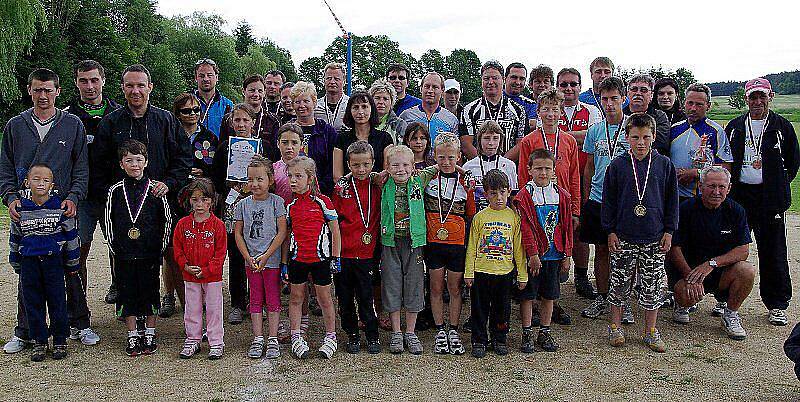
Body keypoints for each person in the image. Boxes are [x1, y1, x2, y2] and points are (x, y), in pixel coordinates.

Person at [1, 68, 89, 354]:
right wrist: (10, 196)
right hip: (27, 210)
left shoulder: (72, 124)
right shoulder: (15, 125)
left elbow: (81, 167)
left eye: (48, 90)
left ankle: (79, 324)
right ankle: (25, 331)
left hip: (61, 208)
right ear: (30, 90)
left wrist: (75, 196)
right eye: (38, 90)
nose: (43, 95)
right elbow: (4, 166)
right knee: (30, 274)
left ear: (58, 92)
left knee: (70, 269)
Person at [602, 113, 678, 353]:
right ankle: (615, 326)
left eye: (646, 137)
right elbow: (609, 201)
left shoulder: (664, 164)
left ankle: (650, 331)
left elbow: (672, 201)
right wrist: (610, 230)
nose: (641, 143)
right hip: (624, 235)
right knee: (619, 282)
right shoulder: (618, 165)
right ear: (627, 138)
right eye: (635, 137)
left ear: (654, 137)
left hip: (654, 237)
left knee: (652, 285)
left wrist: (669, 230)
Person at [726, 78, 800, 326]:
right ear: (746, 99)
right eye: (752, 97)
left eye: (762, 97)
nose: (757, 102)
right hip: (740, 196)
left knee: (773, 251)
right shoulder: (735, 126)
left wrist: (776, 184)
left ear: (770, 97)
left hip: (769, 199)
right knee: (731, 247)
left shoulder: (782, 126)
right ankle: (724, 298)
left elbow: (792, 163)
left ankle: (777, 304)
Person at [104, 139, 172, 356]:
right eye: (129, 160)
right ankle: (132, 334)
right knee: (127, 293)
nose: (134, 164)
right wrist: (115, 247)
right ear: (121, 164)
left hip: (149, 253)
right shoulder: (115, 191)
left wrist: (160, 247)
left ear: (146, 162)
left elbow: (166, 220)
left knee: (150, 291)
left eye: (138, 160)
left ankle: (150, 332)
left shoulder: (155, 189)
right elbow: (108, 221)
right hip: (125, 253)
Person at [669, 166, 755, 339]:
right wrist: (690, 277)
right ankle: (681, 305)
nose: (716, 191)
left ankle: (730, 314)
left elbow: (743, 250)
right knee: (685, 297)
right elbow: (674, 248)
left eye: (722, 187)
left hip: (719, 272)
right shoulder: (685, 209)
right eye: (711, 186)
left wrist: (711, 264)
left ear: (729, 188)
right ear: (700, 187)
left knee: (747, 270)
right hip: (688, 272)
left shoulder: (736, 211)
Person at [64, 60, 120, 316]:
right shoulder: (65, 117)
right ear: (76, 82)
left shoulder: (119, 113)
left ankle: (123, 297)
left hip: (113, 195)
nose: (89, 86)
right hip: (81, 196)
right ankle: (79, 308)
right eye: (83, 80)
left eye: (94, 80)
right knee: (77, 251)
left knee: (121, 248)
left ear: (103, 81)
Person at [10, 164, 80, 362]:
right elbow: (15, 238)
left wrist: (73, 262)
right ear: (27, 182)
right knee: (33, 302)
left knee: (57, 301)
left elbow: (71, 236)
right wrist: (16, 262)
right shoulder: (21, 210)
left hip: (53, 261)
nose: (41, 184)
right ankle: (39, 340)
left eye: (45, 180)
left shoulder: (60, 208)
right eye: (36, 179)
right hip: (29, 262)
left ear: (52, 185)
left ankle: (59, 339)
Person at [580, 77, 631, 322]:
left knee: (625, 252)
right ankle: (602, 297)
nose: (609, 104)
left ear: (624, 98)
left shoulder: (634, 127)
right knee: (600, 250)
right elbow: (589, 166)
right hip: (599, 199)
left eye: (614, 98)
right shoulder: (595, 130)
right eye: (604, 99)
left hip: (627, 202)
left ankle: (623, 300)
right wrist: (588, 194)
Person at [380, 145, 439, 354]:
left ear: (413, 166)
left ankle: (411, 332)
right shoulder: (383, 182)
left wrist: (460, 170)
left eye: (406, 165)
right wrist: (381, 174)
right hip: (390, 242)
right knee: (392, 283)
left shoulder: (418, 180)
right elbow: (364, 174)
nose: (400, 169)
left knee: (414, 285)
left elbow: (439, 166)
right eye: (395, 165)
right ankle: (396, 332)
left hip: (414, 243)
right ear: (387, 167)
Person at [514, 149, 574, 353]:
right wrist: (532, 254)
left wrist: (567, 254)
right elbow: (525, 227)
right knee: (528, 295)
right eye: (538, 168)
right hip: (534, 257)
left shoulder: (562, 195)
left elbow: (566, 226)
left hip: (554, 254)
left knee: (550, 295)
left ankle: (545, 331)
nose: (543, 173)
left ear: (553, 170)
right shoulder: (524, 196)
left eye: (547, 168)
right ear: (529, 169)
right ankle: (527, 332)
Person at [283, 156, 341, 359]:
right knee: (296, 298)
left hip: (321, 260)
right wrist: (284, 262)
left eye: (298, 176)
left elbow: (335, 231)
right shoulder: (290, 205)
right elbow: (286, 235)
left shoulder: (323, 202)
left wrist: (336, 257)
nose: (292, 180)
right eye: (290, 176)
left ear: (310, 178)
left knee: (325, 299)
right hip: (298, 259)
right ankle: (296, 335)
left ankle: (331, 336)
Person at [465, 169, 527, 358]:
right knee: (479, 308)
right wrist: (469, 272)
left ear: (509, 192)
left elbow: (518, 248)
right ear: (486, 194)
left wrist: (522, 274)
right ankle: (479, 340)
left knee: (502, 309)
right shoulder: (480, 217)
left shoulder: (514, 218)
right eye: (493, 193)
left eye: (502, 192)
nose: (499, 197)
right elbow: (472, 246)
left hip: (504, 272)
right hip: (482, 271)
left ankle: (499, 338)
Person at [211, 103, 260, 324]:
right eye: (237, 120)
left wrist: (253, 186)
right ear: (231, 122)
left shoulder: (262, 147)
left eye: (245, 120)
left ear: (253, 122)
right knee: (236, 253)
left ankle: (258, 301)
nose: (241, 124)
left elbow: (268, 176)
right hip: (232, 207)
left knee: (258, 251)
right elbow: (216, 180)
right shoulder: (223, 148)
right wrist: (231, 186)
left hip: (258, 205)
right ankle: (238, 303)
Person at [555, 67, 602, 299]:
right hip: (557, 178)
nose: (569, 89)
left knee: (580, 229)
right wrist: (579, 134)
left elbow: (593, 135)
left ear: (580, 87)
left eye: (573, 84)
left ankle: (581, 277)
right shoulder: (554, 110)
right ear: (557, 87)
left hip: (585, 177)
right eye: (564, 85)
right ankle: (555, 274)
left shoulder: (591, 110)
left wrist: (562, 135)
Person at [332, 141, 382, 354]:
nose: (361, 170)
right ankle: (352, 334)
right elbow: (333, 220)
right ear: (348, 164)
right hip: (344, 253)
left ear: (372, 163)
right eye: (356, 165)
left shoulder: (378, 184)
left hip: (367, 253)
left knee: (366, 296)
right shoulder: (341, 188)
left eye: (366, 164)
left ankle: (372, 334)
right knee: (344, 297)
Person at [234, 157, 287, 359]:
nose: (254, 184)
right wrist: (248, 257)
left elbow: (282, 232)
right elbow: (238, 233)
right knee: (255, 299)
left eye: (259, 179)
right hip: (252, 262)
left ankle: (272, 338)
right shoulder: (242, 205)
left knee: (273, 299)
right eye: (250, 180)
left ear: (270, 180)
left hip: (271, 261)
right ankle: (258, 337)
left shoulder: (277, 202)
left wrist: (267, 255)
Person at [425, 133, 470, 355]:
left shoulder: (466, 183)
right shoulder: (427, 179)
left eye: (451, 157)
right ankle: (439, 329)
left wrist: (462, 172)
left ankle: (453, 328)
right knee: (435, 287)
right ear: (434, 156)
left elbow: (471, 213)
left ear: (459, 157)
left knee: (454, 288)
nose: (446, 162)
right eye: (441, 157)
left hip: (457, 243)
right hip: (433, 242)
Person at [172, 178, 227, 359]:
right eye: (195, 200)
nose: (200, 204)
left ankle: (216, 341)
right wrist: (185, 266)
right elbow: (177, 248)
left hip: (212, 277)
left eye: (204, 199)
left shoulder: (218, 225)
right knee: (192, 308)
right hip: (190, 276)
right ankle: (193, 339)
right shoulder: (182, 224)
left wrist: (208, 269)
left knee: (214, 309)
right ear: (189, 200)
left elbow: (220, 253)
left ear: (212, 200)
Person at [668, 83, 732, 202]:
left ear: (708, 106)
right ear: (684, 103)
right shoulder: (673, 129)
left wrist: (696, 173)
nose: (693, 108)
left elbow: (726, 168)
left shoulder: (716, 131)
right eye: (690, 103)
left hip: (702, 198)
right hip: (674, 196)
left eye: (699, 104)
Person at [460, 60, 529, 161]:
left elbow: (521, 143)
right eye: (486, 78)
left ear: (503, 80)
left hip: (507, 168)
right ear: (481, 80)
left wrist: (501, 164)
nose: (490, 82)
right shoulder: (469, 110)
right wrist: (483, 164)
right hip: (478, 169)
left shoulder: (518, 110)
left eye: (495, 78)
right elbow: (466, 144)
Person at [332, 91, 394, 181]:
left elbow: (386, 172)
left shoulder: (385, 138)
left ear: (371, 109)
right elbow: (337, 176)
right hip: (349, 191)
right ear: (350, 110)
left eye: (364, 107)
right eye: (355, 107)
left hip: (377, 190)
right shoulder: (341, 139)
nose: (360, 112)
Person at [220, 74, 281, 162]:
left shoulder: (273, 121)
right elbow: (221, 149)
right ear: (243, 91)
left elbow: (276, 153)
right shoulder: (228, 118)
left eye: (260, 91)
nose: (256, 94)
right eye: (252, 90)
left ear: (264, 93)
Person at [292, 81, 338, 195]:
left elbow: (333, 164)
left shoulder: (327, 131)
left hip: (321, 191)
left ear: (314, 103)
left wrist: (319, 188)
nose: (302, 105)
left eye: (306, 101)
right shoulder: (287, 131)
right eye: (297, 102)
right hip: (291, 189)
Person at [463, 121, 518, 212]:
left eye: (495, 138)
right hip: (476, 215)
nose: (491, 143)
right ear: (479, 140)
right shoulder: (468, 166)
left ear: (501, 140)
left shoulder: (509, 165)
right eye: (487, 138)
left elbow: (513, 197)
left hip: (502, 216)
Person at [399, 71, 459, 146]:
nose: (430, 91)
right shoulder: (406, 116)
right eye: (427, 86)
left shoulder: (451, 120)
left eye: (435, 87)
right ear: (421, 89)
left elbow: (455, 149)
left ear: (442, 90)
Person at [622, 74, 670, 156]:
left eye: (643, 90)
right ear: (627, 93)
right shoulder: (619, 115)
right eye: (634, 89)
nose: (638, 93)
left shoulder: (660, 117)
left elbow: (660, 142)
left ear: (651, 95)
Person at [173, 93, 217, 179]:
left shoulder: (211, 137)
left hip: (201, 187)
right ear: (178, 114)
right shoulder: (171, 135)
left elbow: (217, 167)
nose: (192, 113)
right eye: (186, 111)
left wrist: (204, 172)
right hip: (175, 186)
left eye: (196, 110)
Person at [194, 58, 234, 137]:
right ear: (196, 78)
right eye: (201, 76)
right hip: (191, 148)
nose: (206, 79)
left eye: (209, 75)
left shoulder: (228, 105)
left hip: (219, 148)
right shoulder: (186, 103)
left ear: (216, 77)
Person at [314, 63, 350, 133]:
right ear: (324, 81)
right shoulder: (315, 106)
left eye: (336, 79)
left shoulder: (351, 105)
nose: (332, 82)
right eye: (328, 78)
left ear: (344, 81)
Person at [369, 79, 407, 144]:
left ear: (392, 102)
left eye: (385, 99)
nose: (381, 102)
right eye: (377, 98)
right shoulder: (363, 122)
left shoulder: (399, 125)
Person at [504, 63, 537, 127]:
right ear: (505, 79)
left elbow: (531, 126)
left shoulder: (531, 105)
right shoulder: (492, 101)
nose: (518, 82)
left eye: (522, 79)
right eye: (514, 77)